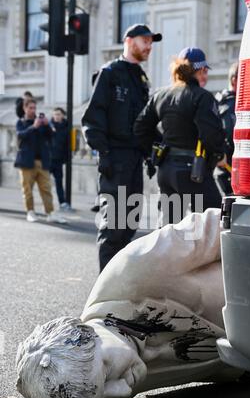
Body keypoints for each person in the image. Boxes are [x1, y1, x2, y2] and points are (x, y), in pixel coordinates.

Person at [16, 209, 246, 398]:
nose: (122, 391)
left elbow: (233, 223)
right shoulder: (99, 388)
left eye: (106, 374)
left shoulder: (140, 266)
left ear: (90, 331)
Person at [81, 24, 162, 272]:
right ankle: (102, 295)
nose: (149, 46)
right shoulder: (109, 73)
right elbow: (92, 118)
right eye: (144, 40)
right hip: (114, 159)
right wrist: (103, 153)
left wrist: (151, 151)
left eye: (151, 42)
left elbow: (142, 122)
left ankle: (117, 286)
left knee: (129, 225)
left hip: (134, 160)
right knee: (113, 226)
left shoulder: (140, 78)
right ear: (129, 41)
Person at [134, 47, 226, 225]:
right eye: (204, 71)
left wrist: (159, 148)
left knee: (169, 228)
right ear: (197, 71)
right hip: (194, 172)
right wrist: (218, 155)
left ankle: (167, 254)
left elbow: (140, 128)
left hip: (167, 170)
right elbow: (211, 136)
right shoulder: (202, 97)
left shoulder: (161, 95)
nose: (206, 76)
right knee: (213, 222)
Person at [14, 99, 67, 224]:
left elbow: (52, 136)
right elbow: (20, 136)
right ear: (25, 108)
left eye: (34, 108)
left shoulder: (42, 123)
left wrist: (47, 124)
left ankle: (50, 213)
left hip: (42, 161)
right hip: (27, 162)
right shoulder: (21, 122)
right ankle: (30, 212)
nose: (33, 110)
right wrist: (33, 126)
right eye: (30, 108)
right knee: (27, 189)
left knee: (46, 189)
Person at [215, 62, 239, 195]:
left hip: (224, 169)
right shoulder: (231, 105)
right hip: (229, 170)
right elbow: (229, 135)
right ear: (234, 80)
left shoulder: (218, 101)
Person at [49, 107, 70, 211]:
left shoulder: (66, 128)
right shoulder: (49, 126)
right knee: (44, 182)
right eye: (55, 114)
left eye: (58, 114)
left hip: (58, 160)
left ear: (62, 115)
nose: (56, 116)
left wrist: (65, 159)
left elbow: (67, 145)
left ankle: (62, 202)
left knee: (59, 183)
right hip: (48, 160)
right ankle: (47, 203)